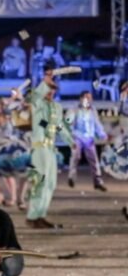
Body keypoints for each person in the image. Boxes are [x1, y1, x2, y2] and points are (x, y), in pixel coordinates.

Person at [25, 65, 74, 229]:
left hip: (51, 149)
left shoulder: (57, 107)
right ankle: (32, 215)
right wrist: (45, 81)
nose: (51, 91)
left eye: (53, 88)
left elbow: (61, 126)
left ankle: (41, 214)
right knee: (40, 181)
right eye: (49, 88)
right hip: (39, 148)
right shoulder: (38, 104)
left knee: (50, 184)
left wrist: (70, 141)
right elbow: (36, 95)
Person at [67, 91, 108, 191]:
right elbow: (68, 123)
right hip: (77, 137)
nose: (88, 100)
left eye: (90, 98)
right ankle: (72, 176)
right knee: (76, 156)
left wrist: (102, 134)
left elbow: (97, 124)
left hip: (89, 138)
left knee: (94, 159)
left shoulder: (92, 110)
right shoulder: (74, 109)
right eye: (86, 97)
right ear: (81, 99)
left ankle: (97, 181)